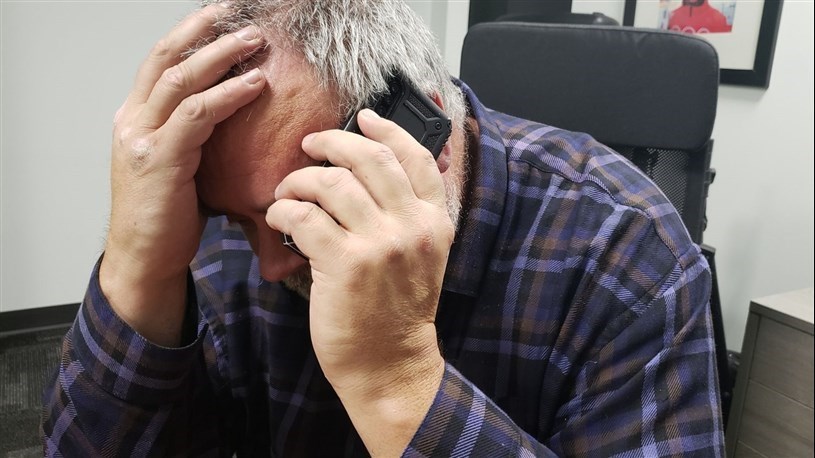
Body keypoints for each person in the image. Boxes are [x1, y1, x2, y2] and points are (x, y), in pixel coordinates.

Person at [41, 0, 724, 455]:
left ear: (424, 131)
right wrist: (138, 270)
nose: (269, 265)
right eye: (238, 221)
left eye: (308, 211)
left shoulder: (628, 254)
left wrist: (396, 376)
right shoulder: (232, 210)